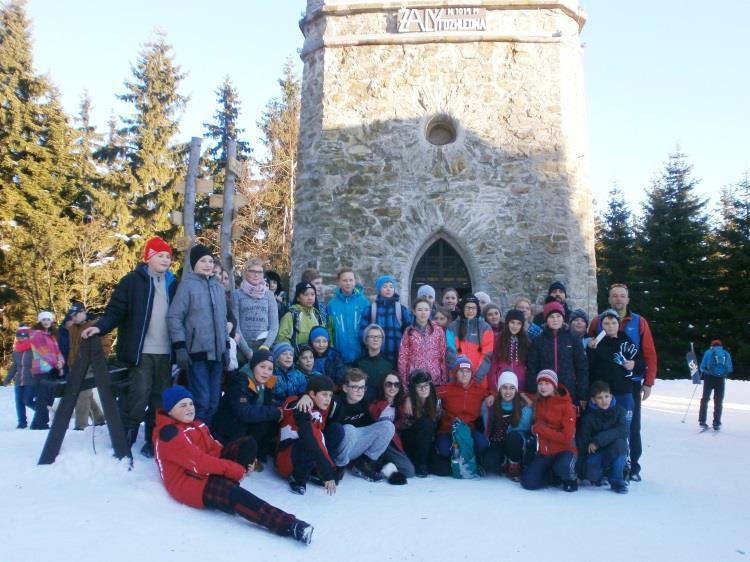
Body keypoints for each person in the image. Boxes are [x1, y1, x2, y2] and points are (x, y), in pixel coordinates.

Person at [153, 385, 313, 544]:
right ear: (170, 411)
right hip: (189, 482)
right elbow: (199, 462)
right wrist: (233, 469)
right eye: (182, 405)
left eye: (191, 403)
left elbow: (215, 448)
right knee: (234, 494)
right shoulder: (168, 434)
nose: (189, 408)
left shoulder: (196, 424)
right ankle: (289, 525)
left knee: (247, 443)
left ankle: (229, 486)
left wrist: (245, 463)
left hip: (204, 467)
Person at [81, 236, 177, 455]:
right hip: (140, 351)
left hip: (166, 351)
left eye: (168, 257)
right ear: (149, 257)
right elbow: (116, 310)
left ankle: (152, 440)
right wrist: (100, 327)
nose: (165, 260)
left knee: (160, 398)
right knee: (138, 395)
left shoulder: (173, 283)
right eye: (160, 256)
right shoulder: (133, 281)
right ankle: (125, 435)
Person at [588, 283, 657, 481]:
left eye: (622, 296)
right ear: (609, 299)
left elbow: (649, 353)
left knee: (632, 426)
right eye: (614, 296)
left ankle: (633, 466)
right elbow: (590, 349)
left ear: (627, 299)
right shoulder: (597, 321)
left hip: (630, 383)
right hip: (603, 386)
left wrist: (648, 381)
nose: (618, 299)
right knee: (602, 424)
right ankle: (605, 465)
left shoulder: (639, 322)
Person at [168, 245, 228, 429]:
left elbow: (222, 320)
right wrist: (180, 347)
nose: (208, 264)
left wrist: (226, 346)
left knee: (214, 402)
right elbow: (174, 317)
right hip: (197, 353)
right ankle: (197, 438)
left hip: (217, 355)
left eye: (210, 261)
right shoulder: (186, 286)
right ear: (194, 263)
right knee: (202, 400)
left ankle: (207, 437)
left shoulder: (218, 288)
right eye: (203, 261)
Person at [298, 368, 395, 482]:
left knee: (387, 426)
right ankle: (339, 467)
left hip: (352, 447)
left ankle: (363, 463)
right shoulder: (334, 401)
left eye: (362, 387)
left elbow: (370, 430)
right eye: (355, 387)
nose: (360, 391)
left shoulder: (363, 403)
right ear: (345, 388)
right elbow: (317, 396)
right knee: (348, 429)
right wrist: (305, 396)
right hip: (333, 449)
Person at [212, 350, 282, 465]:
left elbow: (267, 405)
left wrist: (281, 408)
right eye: (262, 366)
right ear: (253, 366)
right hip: (227, 432)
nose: (266, 372)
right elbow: (244, 412)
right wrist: (274, 411)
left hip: (243, 429)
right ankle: (242, 456)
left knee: (272, 419)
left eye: (270, 369)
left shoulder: (265, 383)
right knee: (267, 416)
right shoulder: (241, 381)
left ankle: (258, 455)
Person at [277, 375, 342, 496]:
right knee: (309, 438)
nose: (328, 399)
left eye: (330, 395)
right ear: (312, 394)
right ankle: (298, 478)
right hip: (288, 459)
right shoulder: (301, 407)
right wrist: (327, 472)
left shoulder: (321, 405)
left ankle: (314, 472)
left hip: (310, 450)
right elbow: (310, 438)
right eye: (324, 394)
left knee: (337, 430)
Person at [521, 370, 578, 492]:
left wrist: (540, 430)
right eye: (540, 384)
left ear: (554, 385)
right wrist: (520, 394)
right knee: (528, 483)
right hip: (545, 452)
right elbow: (524, 394)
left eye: (547, 383)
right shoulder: (539, 401)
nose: (543, 387)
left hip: (564, 450)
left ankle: (571, 479)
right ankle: (554, 477)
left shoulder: (567, 406)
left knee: (563, 466)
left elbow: (566, 437)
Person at [587, 309, 644, 429]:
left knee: (623, 428)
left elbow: (641, 362)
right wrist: (591, 350)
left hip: (624, 391)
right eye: (606, 323)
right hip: (603, 394)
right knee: (603, 429)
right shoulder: (596, 343)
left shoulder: (626, 340)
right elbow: (588, 368)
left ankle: (623, 448)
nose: (610, 326)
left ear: (619, 324)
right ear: (601, 326)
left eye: (613, 323)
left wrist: (633, 364)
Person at [527, 301, 589, 407]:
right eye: (551, 316)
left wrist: (582, 394)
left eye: (558, 316)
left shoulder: (573, 340)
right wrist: (533, 391)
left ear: (563, 318)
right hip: (544, 391)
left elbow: (582, 368)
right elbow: (532, 368)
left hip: (568, 390)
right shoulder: (538, 341)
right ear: (546, 319)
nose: (555, 320)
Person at [435, 356, 494, 463]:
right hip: (448, 430)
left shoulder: (478, 390)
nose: (465, 374)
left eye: (468, 371)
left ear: (472, 373)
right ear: (455, 373)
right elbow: (430, 392)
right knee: (444, 451)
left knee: (483, 445)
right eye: (461, 371)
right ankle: (454, 459)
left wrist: (492, 395)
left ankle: (469, 458)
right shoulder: (447, 389)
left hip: (469, 431)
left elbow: (492, 392)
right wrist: (408, 398)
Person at [576, 381, 629, 494]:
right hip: (596, 453)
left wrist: (598, 440)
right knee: (592, 475)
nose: (604, 401)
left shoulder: (620, 411)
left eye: (606, 396)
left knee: (620, 444)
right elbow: (582, 443)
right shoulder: (588, 417)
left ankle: (617, 481)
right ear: (593, 400)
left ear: (611, 396)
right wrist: (578, 474)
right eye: (599, 398)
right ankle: (602, 475)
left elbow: (623, 430)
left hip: (614, 449)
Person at [481, 371, 533, 481]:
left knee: (513, 438)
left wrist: (528, 408)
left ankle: (514, 464)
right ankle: (502, 461)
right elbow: (485, 420)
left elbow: (524, 428)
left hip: (512, 442)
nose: (508, 391)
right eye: (504, 387)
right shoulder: (493, 404)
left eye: (511, 388)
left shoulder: (522, 405)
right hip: (496, 441)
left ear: (516, 390)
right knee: (489, 463)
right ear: (499, 389)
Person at [64, 303, 106, 430]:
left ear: (83, 312)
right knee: (85, 394)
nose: (74, 318)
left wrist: (97, 363)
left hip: (89, 366)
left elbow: (104, 346)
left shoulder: (94, 326)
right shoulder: (72, 328)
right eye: (72, 316)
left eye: (76, 315)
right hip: (75, 365)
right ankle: (99, 418)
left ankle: (80, 425)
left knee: (82, 394)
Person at [368, 372, 414, 482]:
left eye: (396, 384)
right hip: (374, 443)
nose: (393, 387)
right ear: (382, 385)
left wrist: (408, 398)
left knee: (409, 471)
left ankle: (387, 466)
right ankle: (380, 464)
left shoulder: (400, 404)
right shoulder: (374, 403)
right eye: (388, 384)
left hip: (391, 444)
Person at [232, 258, 279, 363]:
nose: (256, 275)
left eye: (259, 272)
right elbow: (236, 325)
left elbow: (274, 326)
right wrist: (247, 351)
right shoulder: (237, 295)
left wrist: (266, 346)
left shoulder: (269, 296)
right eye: (252, 271)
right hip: (243, 345)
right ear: (245, 273)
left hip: (264, 344)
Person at [358, 275, 412, 364]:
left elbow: (409, 331)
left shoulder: (401, 309)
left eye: (391, 286)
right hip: (376, 356)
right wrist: (367, 350)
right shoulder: (371, 309)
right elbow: (363, 333)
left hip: (397, 355)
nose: (388, 289)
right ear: (379, 289)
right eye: (385, 286)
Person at [398, 298, 448, 386]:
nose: (423, 313)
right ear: (414, 311)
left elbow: (442, 355)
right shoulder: (409, 331)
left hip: (434, 379)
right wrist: (404, 383)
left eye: (426, 310)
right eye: (420, 310)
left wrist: (443, 380)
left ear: (430, 311)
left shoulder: (438, 330)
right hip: (415, 378)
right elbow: (403, 358)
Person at [399, 370, 440, 477]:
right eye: (419, 386)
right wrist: (407, 397)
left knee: (442, 469)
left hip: (427, 442)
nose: (423, 389)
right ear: (414, 388)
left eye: (426, 385)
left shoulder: (436, 402)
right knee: (427, 423)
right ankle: (420, 464)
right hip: (410, 441)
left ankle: (423, 462)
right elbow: (403, 428)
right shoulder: (408, 402)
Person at [29, 311, 65, 430]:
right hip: (41, 369)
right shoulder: (37, 334)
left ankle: (36, 423)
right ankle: (41, 423)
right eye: (44, 319)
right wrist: (57, 364)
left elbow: (57, 351)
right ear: (39, 321)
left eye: (48, 320)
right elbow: (44, 353)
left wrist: (61, 362)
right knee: (42, 397)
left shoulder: (51, 335)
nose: (46, 322)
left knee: (48, 397)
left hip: (51, 369)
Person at [326, 268, 369, 365]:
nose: (348, 283)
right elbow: (330, 330)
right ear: (339, 282)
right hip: (340, 357)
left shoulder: (364, 302)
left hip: (361, 356)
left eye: (351, 280)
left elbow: (368, 327)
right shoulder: (332, 305)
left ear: (355, 281)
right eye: (344, 280)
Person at [449, 295, 494, 384]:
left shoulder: (485, 328)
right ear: (462, 308)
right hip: (456, 379)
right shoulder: (452, 327)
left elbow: (487, 356)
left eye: (473, 308)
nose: (470, 311)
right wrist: (459, 375)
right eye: (467, 308)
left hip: (478, 381)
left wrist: (476, 378)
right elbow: (450, 352)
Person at [488, 309, 529, 392]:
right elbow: (493, 365)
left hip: (520, 384)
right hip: (502, 383)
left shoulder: (526, 342)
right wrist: (493, 386)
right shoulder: (498, 340)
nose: (515, 326)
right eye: (512, 322)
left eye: (518, 323)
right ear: (507, 323)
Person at [3, 325, 35, 429]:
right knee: (19, 402)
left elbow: (39, 364)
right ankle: (22, 422)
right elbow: (14, 366)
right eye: (20, 336)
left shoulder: (33, 349)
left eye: (24, 336)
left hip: (31, 380)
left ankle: (42, 411)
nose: (22, 338)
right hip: (19, 380)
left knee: (27, 400)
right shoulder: (16, 351)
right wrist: (7, 380)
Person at [698, 339, 733, 431]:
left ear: (712, 345)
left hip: (708, 378)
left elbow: (702, 367)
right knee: (718, 401)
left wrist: (707, 371)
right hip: (720, 379)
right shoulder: (726, 353)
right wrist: (721, 373)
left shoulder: (708, 353)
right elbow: (729, 368)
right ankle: (716, 423)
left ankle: (702, 421)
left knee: (705, 399)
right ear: (721, 346)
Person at [277, 281, 323, 350]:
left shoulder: (317, 315)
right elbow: (282, 337)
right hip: (296, 357)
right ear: (298, 298)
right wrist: (292, 353)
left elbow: (322, 335)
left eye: (312, 294)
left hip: (314, 358)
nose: (310, 298)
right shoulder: (291, 315)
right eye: (306, 295)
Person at [355, 324, 394, 398]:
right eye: (372, 336)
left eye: (379, 337)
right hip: (364, 404)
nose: (376, 339)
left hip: (383, 404)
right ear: (366, 340)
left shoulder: (389, 363)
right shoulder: (358, 363)